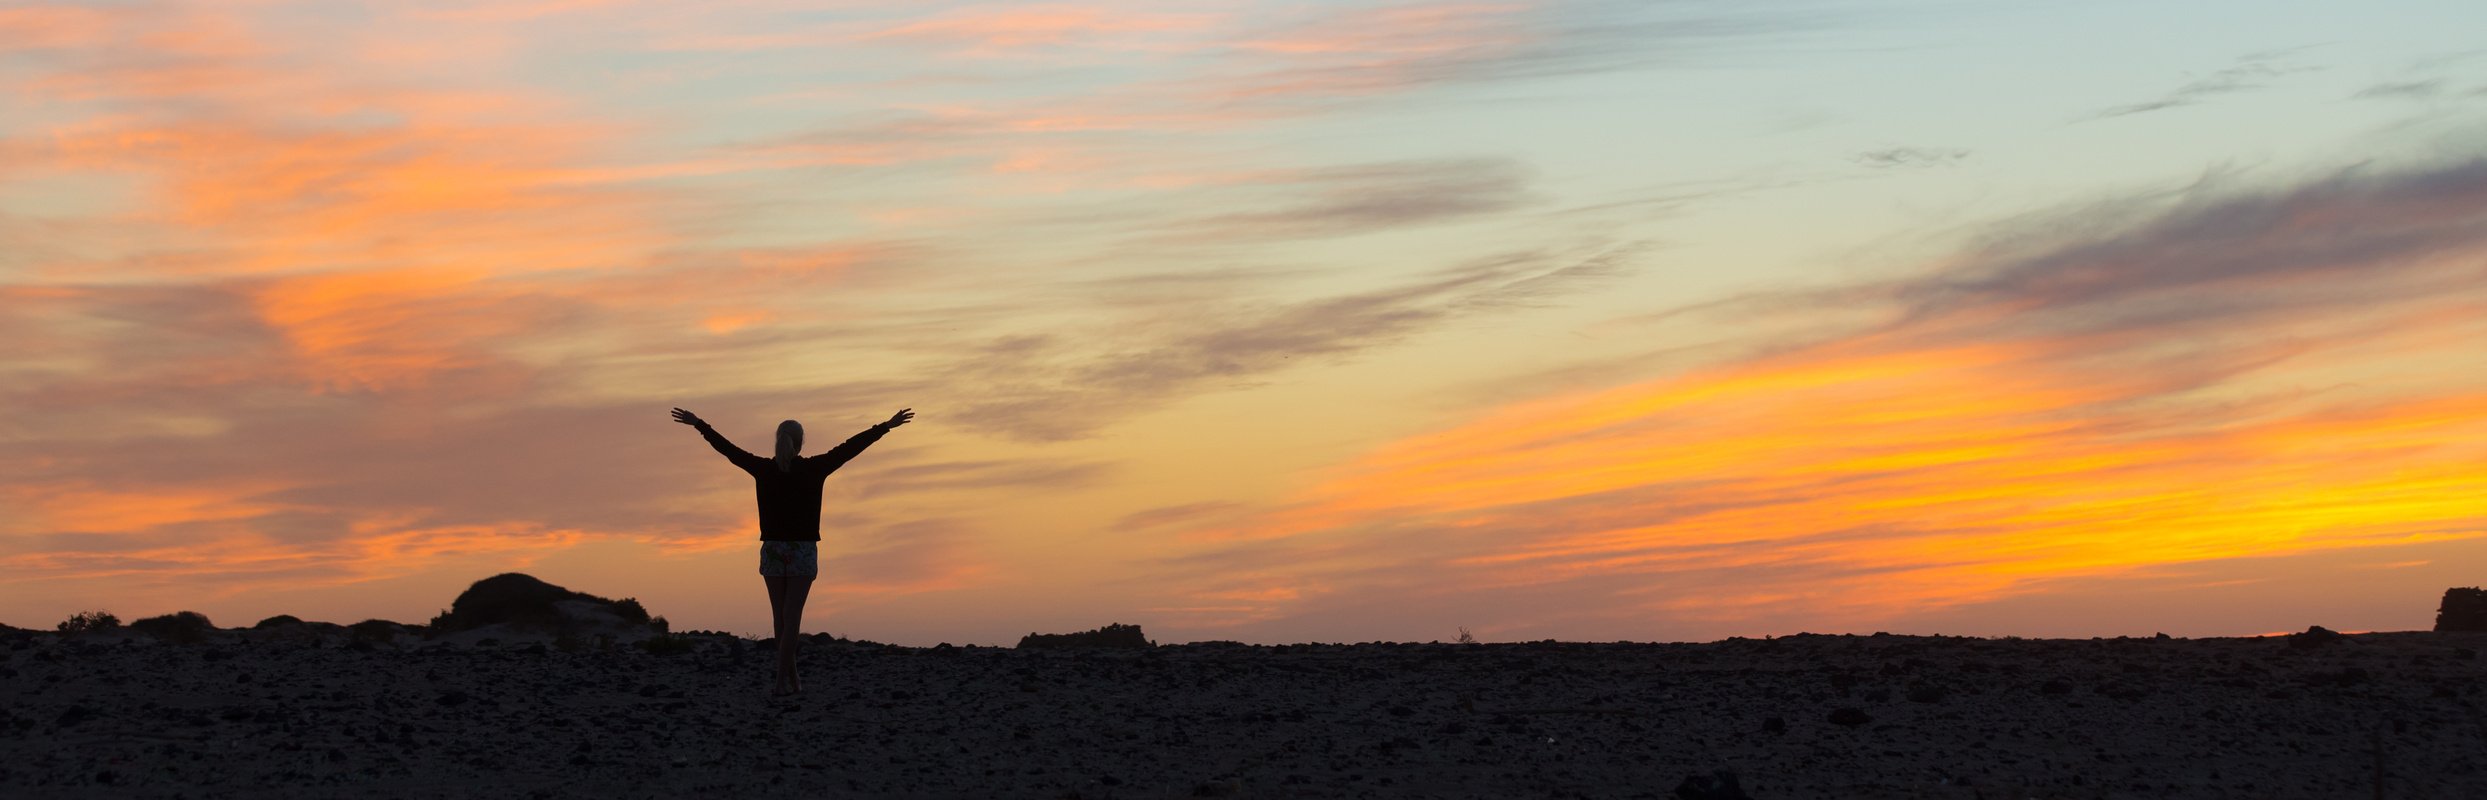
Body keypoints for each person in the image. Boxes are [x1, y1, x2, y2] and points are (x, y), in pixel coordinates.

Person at [670, 406, 914, 696]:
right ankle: (779, 682)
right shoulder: (814, 468)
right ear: (800, 443)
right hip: (801, 549)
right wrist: (885, 426)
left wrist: (700, 424)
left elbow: (729, 450)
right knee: (792, 617)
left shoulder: (763, 468)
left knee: (781, 618)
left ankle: (792, 680)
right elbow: (850, 448)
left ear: (778, 441)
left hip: (773, 548)